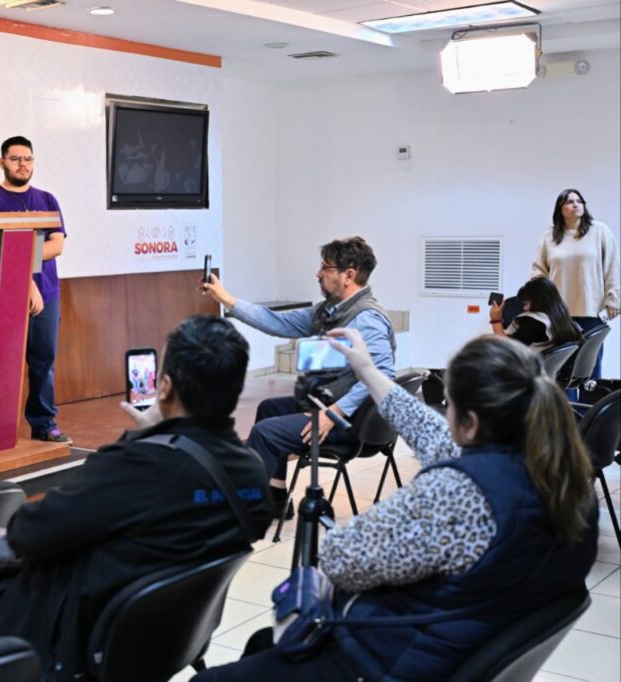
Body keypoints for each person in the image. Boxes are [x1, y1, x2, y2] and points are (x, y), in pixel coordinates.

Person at [194, 329, 598, 682]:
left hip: (384, 663)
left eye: (450, 404)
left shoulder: (456, 496)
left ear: (471, 423)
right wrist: (368, 372)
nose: (445, 413)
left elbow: (339, 557)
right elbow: (437, 437)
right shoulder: (565, 475)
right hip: (451, 647)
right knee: (262, 647)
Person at [0, 315, 272, 680]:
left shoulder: (135, 466)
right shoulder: (253, 474)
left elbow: (28, 534)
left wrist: (142, 441)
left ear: (163, 387)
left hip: (68, 637)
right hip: (161, 642)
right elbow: (189, 498)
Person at [200, 237, 395, 518]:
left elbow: (382, 375)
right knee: (269, 410)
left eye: (325, 268)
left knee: (265, 433)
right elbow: (277, 322)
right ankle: (276, 498)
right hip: (332, 407)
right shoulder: (328, 311)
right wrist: (226, 299)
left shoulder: (366, 319)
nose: (318, 274)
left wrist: (334, 413)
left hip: (354, 423)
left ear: (348, 275)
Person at [0, 136, 70, 444]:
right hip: (4, 295)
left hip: (48, 293)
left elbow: (57, 245)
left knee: (43, 361)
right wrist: (24, 275)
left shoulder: (47, 199)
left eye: (28, 158)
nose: (22, 164)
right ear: (2, 162)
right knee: (3, 362)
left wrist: (18, 249)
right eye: (15, 159)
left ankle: (44, 424)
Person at [532, 188, 620, 378]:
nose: (576, 205)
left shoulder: (600, 231)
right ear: (560, 208)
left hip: (592, 311)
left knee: (591, 365)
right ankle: (567, 408)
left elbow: (612, 266)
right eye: (570, 202)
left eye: (579, 201)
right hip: (559, 314)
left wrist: (614, 298)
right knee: (562, 369)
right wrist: (536, 302)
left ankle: (591, 406)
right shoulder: (549, 236)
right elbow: (539, 272)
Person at [490, 276, 581, 352]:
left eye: (526, 304)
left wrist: (496, 320)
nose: (524, 308)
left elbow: (508, 349)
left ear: (538, 302)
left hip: (527, 370)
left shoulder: (534, 323)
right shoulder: (562, 317)